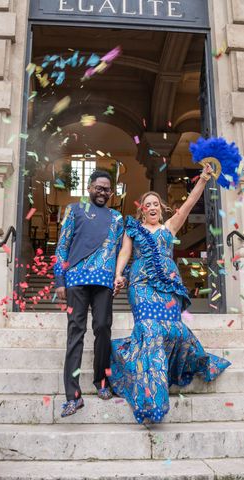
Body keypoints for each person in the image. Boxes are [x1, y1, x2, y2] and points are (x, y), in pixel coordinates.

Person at [109, 164, 231, 423]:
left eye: (155, 203)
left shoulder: (170, 228)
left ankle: (166, 370)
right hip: (141, 284)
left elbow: (188, 204)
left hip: (168, 287)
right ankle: (152, 399)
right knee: (150, 331)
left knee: (173, 331)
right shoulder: (132, 228)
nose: (152, 207)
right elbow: (124, 253)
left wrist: (203, 179)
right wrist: (119, 274)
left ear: (161, 208)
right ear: (141, 209)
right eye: (147, 204)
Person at [54, 170, 124, 417]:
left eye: (107, 189)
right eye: (98, 188)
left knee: (103, 327)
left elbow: (119, 252)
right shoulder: (74, 210)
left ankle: (101, 382)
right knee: (76, 332)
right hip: (75, 279)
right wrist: (59, 280)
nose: (102, 192)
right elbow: (62, 245)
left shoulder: (117, 218)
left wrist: (119, 275)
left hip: (104, 281)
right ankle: (73, 396)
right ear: (89, 187)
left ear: (111, 193)